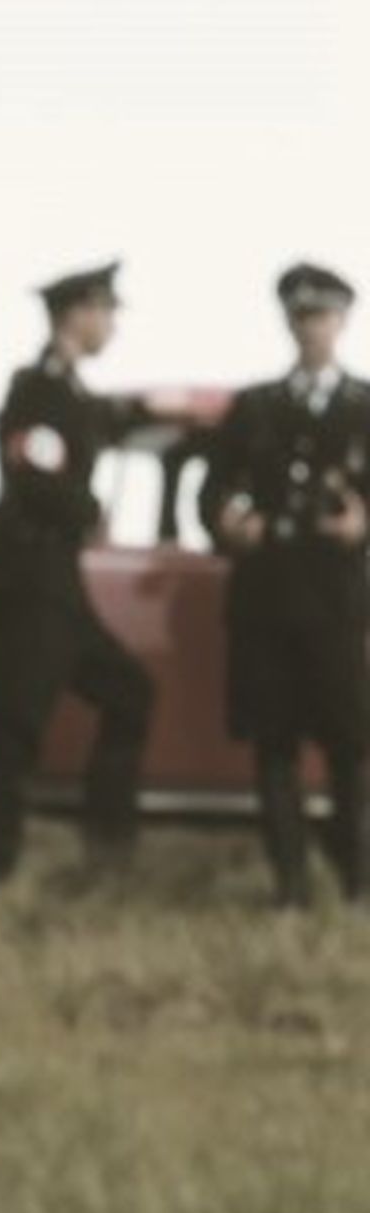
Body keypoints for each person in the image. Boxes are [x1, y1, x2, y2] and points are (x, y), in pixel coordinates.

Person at [0, 260, 155, 881]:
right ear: (77, 315)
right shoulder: (38, 387)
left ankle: (107, 847)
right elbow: (37, 477)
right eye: (106, 312)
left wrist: (147, 409)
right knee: (15, 724)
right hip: (29, 578)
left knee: (130, 692)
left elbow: (98, 421)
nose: (112, 325)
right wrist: (92, 509)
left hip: (58, 585)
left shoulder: (70, 391)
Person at [198, 262, 370, 908]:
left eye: (320, 316)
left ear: (342, 321)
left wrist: (363, 524)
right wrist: (227, 521)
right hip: (265, 603)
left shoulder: (365, 407)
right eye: (300, 317)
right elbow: (213, 492)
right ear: (288, 323)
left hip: (337, 605)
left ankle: (359, 880)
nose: (310, 328)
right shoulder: (254, 409)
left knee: (351, 745)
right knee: (274, 745)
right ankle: (290, 885)